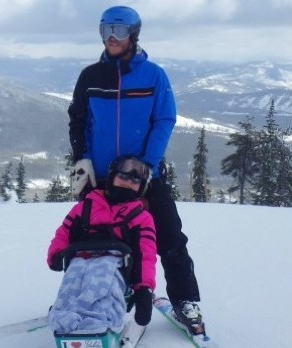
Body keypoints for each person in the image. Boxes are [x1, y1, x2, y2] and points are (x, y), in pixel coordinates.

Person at [67, 5, 205, 336]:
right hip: (100, 177)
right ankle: (76, 299)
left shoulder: (153, 76)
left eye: (119, 30)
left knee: (169, 236)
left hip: (144, 178)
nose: (112, 37)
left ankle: (185, 300)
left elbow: (164, 119)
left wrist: (146, 165)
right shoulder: (90, 77)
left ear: (134, 34)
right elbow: (79, 120)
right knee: (88, 239)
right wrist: (82, 159)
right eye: (105, 31)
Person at [47, 156, 157, 345]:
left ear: (141, 187)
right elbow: (64, 232)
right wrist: (56, 253)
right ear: (112, 177)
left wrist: (144, 288)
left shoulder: (141, 217)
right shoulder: (85, 207)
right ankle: (65, 314)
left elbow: (146, 254)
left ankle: (98, 322)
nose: (128, 182)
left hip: (115, 264)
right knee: (73, 275)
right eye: (123, 176)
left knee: (101, 278)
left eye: (135, 180)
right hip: (81, 258)